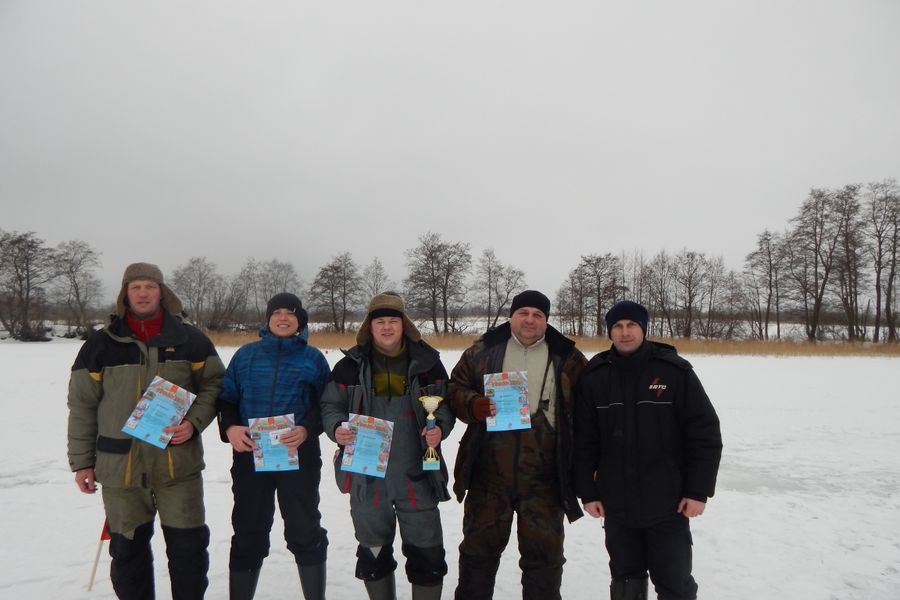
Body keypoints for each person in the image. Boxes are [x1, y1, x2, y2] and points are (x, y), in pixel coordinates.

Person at [67, 262, 225, 600]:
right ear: (125, 293)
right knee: (127, 556)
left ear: (161, 292)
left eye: (149, 286)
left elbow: (214, 385)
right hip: (120, 471)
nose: (142, 293)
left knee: (189, 552)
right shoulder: (100, 344)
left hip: (177, 467)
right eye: (135, 286)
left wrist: (193, 423)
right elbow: (82, 407)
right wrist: (82, 462)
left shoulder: (191, 340)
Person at [573, 300, 723, 600]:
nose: (625, 332)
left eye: (632, 325)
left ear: (644, 329)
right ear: (610, 331)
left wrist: (698, 491)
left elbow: (704, 433)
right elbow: (583, 440)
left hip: (667, 504)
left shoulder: (674, 372)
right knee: (626, 580)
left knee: (674, 583)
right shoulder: (595, 376)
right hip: (617, 506)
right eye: (618, 326)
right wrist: (588, 492)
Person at [448, 289, 587, 600]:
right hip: (489, 477)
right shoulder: (483, 351)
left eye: (538, 315)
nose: (530, 320)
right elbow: (455, 388)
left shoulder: (568, 358)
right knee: (477, 556)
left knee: (544, 562)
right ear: (511, 316)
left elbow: (588, 410)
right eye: (523, 313)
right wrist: (473, 404)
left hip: (545, 480)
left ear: (547, 321)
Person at [321, 292, 454, 600]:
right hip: (368, 480)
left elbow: (444, 406)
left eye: (393, 320)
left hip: (417, 476)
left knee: (427, 553)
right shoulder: (348, 367)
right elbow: (331, 406)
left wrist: (440, 429)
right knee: (374, 553)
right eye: (379, 321)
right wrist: (337, 428)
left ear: (403, 325)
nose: (386, 327)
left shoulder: (428, 364)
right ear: (369, 327)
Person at [217, 292, 331, 600]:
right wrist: (230, 428)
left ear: (300, 320)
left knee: (304, 529)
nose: (283, 318)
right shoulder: (245, 355)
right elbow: (226, 398)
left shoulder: (313, 359)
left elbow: (327, 404)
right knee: (248, 530)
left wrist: (307, 429)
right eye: (277, 312)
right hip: (250, 455)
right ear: (268, 319)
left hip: (299, 456)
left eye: (290, 313)